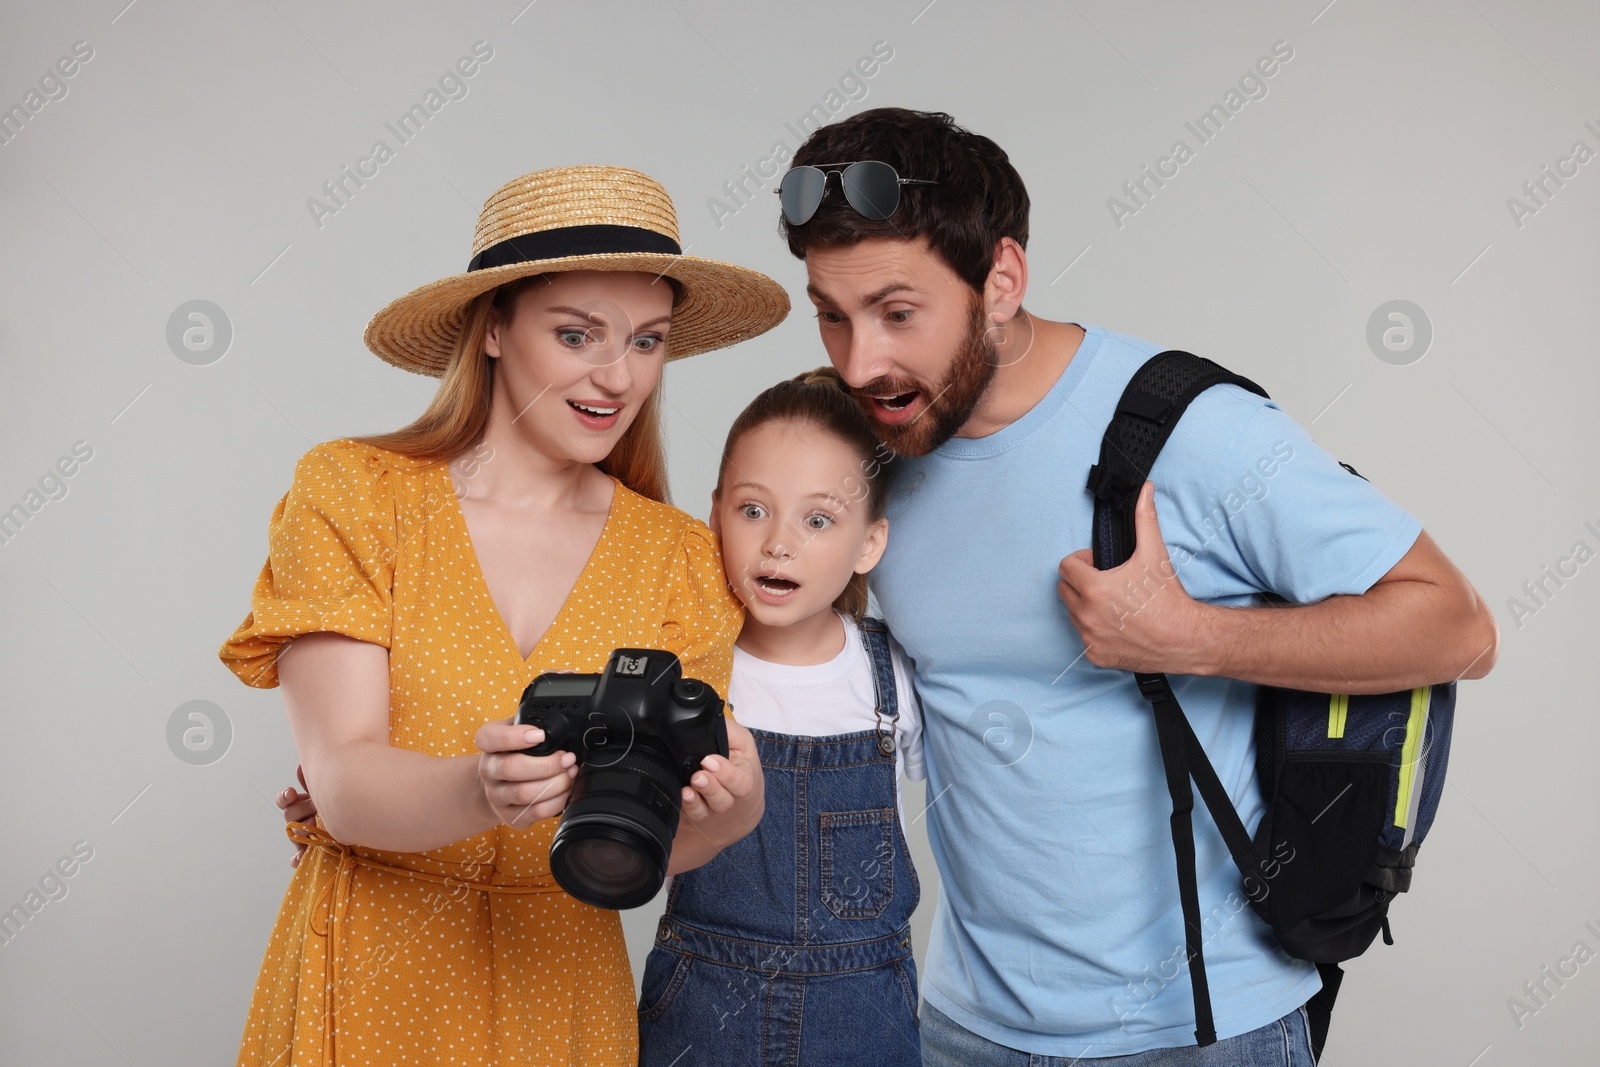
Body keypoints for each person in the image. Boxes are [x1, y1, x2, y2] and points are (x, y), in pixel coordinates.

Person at [774, 109, 1499, 1064]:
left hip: (1198, 1029)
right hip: (960, 1024)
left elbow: (1457, 623)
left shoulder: (1191, 431)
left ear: (1001, 280)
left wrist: (1190, 637)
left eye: (898, 313)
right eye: (833, 313)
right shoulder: (869, 452)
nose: (860, 360)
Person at [218, 164, 788, 1067]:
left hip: (559, 992)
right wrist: (478, 790)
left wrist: (728, 816)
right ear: (492, 328)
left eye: (647, 341)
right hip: (369, 976)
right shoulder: (356, 495)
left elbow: (643, 836)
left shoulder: (680, 557)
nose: (618, 376)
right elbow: (343, 782)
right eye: (577, 334)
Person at [636, 367, 925, 1066]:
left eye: (818, 519)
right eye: (753, 509)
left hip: (863, 1019)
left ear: (869, 543)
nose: (778, 542)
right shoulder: (689, 670)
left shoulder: (894, 679)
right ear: (715, 513)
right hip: (702, 1006)